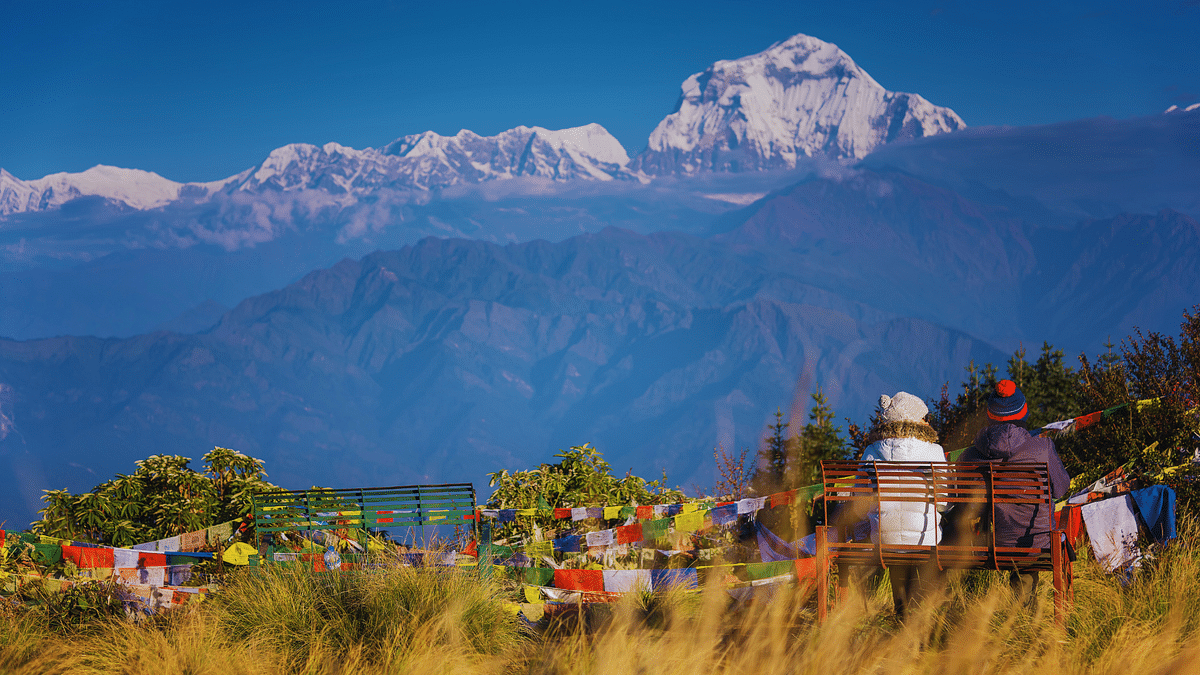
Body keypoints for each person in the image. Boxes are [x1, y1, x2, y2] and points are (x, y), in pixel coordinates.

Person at [959, 379, 1071, 604]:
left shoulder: (970, 454)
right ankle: (1023, 616)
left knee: (1006, 528)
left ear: (990, 414)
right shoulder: (1043, 448)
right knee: (1030, 531)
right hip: (1036, 544)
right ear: (1024, 412)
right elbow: (1062, 488)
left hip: (988, 545)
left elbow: (962, 501)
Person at [858, 391, 946, 620]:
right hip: (924, 540)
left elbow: (860, 499)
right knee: (922, 543)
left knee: (895, 542)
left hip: (884, 538)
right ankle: (923, 620)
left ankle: (902, 615)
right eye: (925, 418)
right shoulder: (933, 452)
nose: (928, 422)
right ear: (915, 421)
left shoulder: (871, 452)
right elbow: (944, 501)